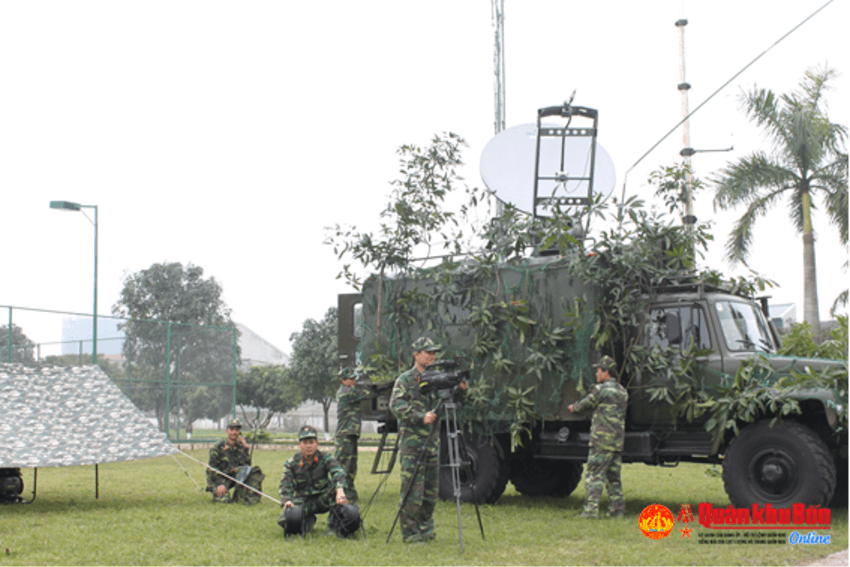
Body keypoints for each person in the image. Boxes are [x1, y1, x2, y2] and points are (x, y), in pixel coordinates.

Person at [389, 336, 467, 543]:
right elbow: (395, 405)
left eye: (434, 353)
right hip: (412, 446)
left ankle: (425, 529)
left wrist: (461, 391)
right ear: (416, 355)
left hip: (432, 444)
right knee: (412, 491)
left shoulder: (437, 378)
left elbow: (454, 405)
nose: (432, 356)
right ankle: (410, 533)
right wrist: (419, 417)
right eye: (428, 353)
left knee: (430, 493)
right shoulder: (405, 380)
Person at [568, 355, 628, 518]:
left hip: (601, 441)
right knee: (613, 477)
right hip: (616, 442)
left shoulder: (600, 390)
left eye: (598, 370)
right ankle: (617, 510)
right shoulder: (622, 391)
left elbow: (586, 404)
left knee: (594, 475)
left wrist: (574, 407)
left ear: (606, 372)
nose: (596, 373)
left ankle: (590, 511)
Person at [278, 425, 349, 534]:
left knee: (340, 495)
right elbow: (285, 484)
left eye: (311, 442)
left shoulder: (325, 457)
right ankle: (307, 520)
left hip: (323, 498)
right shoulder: (291, 463)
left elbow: (338, 472)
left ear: (317, 443)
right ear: (299, 444)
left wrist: (340, 490)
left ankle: (334, 526)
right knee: (285, 521)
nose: (308, 446)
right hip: (303, 500)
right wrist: (287, 501)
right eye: (305, 443)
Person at [334, 366, 372, 503]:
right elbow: (368, 394)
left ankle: (349, 493)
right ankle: (338, 492)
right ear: (343, 380)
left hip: (350, 434)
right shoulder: (346, 393)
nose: (354, 381)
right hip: (345, 435)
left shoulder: (349, 391)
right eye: (351, 379)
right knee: (343, 465)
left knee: (351, 466)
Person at [206, 418, 265, 504]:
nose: (234, 432)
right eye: (232, 429)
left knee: (254, 472)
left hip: (233, 477)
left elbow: (247, 468)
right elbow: (212, 469)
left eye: (237, 430)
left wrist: (245, 448)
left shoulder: (240, 447)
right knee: (224, 500)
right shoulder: (217, 447)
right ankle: (218, 491)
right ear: (227, 431)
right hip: (219, 479)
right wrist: (220, 484)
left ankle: (243, 495)